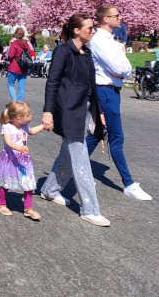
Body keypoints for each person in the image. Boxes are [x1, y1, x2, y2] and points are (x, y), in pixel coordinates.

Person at [39, 13, 110, 227]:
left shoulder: (86, 53)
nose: (93, 31)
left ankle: (49, 190)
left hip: (85, 110)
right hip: (68, 112)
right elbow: (52, 83)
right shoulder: (62, 51)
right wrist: (48, 112)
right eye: (90, 28)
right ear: (77, 31)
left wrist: (99, 112)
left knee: (67, 154)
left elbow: (92, 86)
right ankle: (90, 209)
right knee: (80, 158)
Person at [87, 4, 152, 201]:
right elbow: (118, 67)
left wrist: (122, 69)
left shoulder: (111, 40)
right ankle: (128, 183)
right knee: (116, 137)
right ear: (106, 19)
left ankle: (68, 169)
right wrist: (122, 69)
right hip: (105, 91)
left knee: (97, 134)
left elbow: (126, 66)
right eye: (116, 15)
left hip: (112, 91)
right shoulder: (99, 40)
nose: (120, 18)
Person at [0, 101, 46, 219]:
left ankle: (28, 208)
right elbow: (9, 143)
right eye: (28, 115)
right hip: (10, 159)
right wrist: (19, 148)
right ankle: (1, 204)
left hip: (23, 160)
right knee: (6, 182)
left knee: (29, 183)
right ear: (18, 118)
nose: (31, 116)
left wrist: (43, 126)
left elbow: (32, 131)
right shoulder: (7, 127)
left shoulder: (24, 126)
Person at [6, 28, 35, 101]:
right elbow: (30, 53)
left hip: (14, 67)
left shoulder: (14, 44)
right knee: (21, 87)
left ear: (16, 34)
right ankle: (20, 102)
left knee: (10, 84)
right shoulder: (26, 44)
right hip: (24, 68)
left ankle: (14, 100)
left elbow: (10, 56)